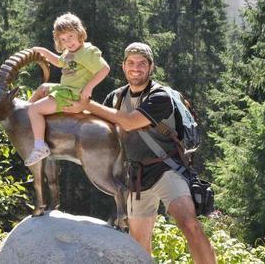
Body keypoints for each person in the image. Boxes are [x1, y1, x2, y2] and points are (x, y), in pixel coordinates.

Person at [63, 42, 216, 263]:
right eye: (132, 63)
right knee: (138, 244)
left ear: (150, 67)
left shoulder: (161, 96)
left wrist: (87, 105)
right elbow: (98, 129)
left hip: (167, 169)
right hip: (136, 178)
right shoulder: (115, 98)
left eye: (142, 63)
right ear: (123, 66)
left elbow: (129, 121)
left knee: (189, 225)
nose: (136, 68)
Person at [25, 12, 110, 166]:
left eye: (70, 36)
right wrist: (43, 52)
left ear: (79, 32)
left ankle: (39, 146)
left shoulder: (86, 52)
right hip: (65, 88)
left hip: (71, 94)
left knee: (34, 109)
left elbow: (104, 69)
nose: (68, 42)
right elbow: (59, 62)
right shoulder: (70, 52)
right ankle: (26, 117)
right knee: (43, 87)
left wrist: (88, 88)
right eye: (63, 39)